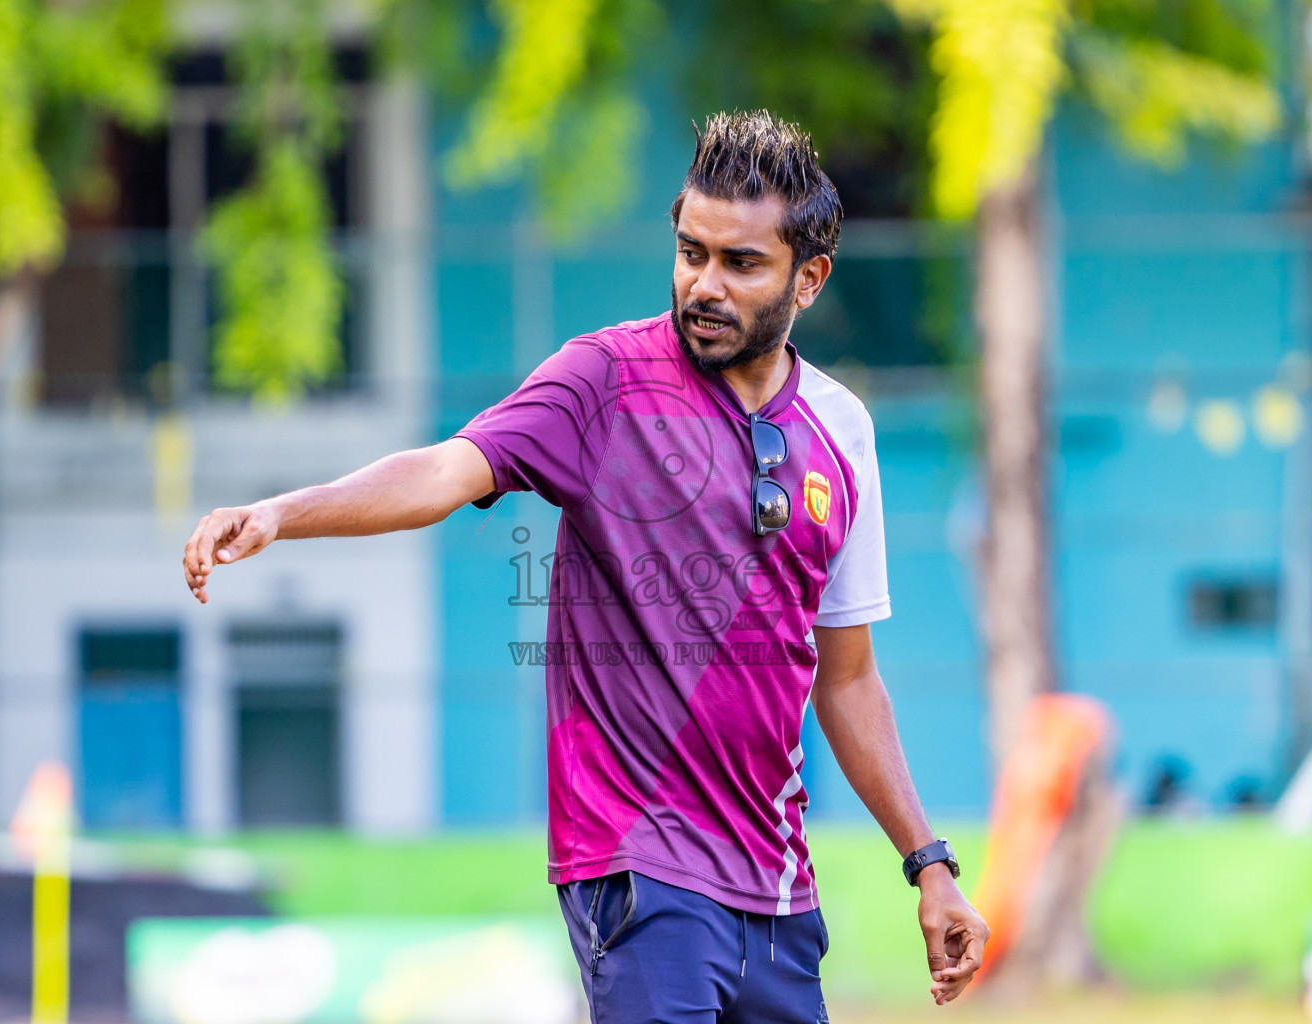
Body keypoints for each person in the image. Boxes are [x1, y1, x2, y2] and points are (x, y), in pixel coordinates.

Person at [183, 110, 989, 1020]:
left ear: (810, 279)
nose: (705, 285)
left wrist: (929, 864)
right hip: (638, 873)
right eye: (691, 252)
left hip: (777, 895)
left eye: (741, 263)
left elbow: (846, 683)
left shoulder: (843, 434)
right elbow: (443, 470)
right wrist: (283, 514)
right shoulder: (603, 381)